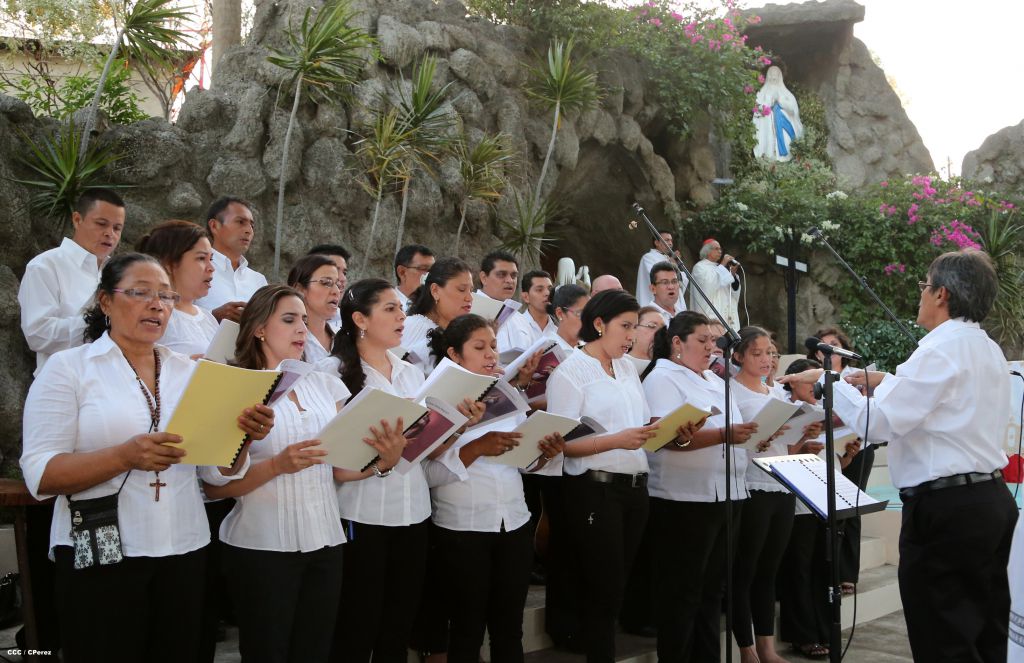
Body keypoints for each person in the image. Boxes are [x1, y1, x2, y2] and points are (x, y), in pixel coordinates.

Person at [21, 252, 273, 663]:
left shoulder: (190, 372)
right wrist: (124, 456)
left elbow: (215, 473)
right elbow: (41, 474)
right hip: (101, 553)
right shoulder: (69, 369)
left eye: (166, 296)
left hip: (184, 547)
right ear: (105, 301)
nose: (157, 305)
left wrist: (244, 437)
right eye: (141, 293)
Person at [780, 249, 1018, 663]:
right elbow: (942, 402)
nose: (921, 294)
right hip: (987, 500)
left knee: (943, 637)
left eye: (925, 286)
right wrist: (879, 379)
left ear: (942, 294)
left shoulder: (939, 351)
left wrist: (829, 381)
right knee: (985, 634)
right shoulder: (986, 348)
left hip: (946, 509)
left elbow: (879, 423)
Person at [206, 284, 406, 663]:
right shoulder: (235, 385)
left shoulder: (324, 383)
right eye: (288, 320)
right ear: (259, 328)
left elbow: (342, 469)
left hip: (326, 543)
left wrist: (384, 461)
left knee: (314, 652)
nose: (301, 328)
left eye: (303, 319)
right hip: (261, 547)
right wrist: (275, 465)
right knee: (267, 653)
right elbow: (215, 486)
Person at [323, 278, 473, 663]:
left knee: (398, 623)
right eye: (389, 309)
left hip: (413, 512)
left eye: (401, 309)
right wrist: (383, 460)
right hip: (362, 513)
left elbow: (424, 450)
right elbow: (335, 461)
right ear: (360, 319)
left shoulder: (409, 371)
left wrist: (457, 425)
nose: (401, 317)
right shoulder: (332, 373)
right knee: (357, 623)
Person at [424, 314, 566, 663]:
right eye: (480, 347)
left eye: (494, 346)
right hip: (462, 527)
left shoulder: (505, 391)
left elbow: (520, 461)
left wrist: (542, 455)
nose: (491, 355)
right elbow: (426, 473)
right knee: (467, 629)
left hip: (513, 521)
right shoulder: (433, 397)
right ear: (454, 354)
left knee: (509, 628)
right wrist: (476, 447)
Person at [546, 289, 668, 663]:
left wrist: (672, 430)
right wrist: (616, 440)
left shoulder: (627, 367)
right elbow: (563, 444)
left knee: (619, 584)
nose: (632, 336)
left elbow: (640, 424)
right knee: (603, 587)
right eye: (625, 326)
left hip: (635, 487)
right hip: (595, 489)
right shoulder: (570, 372)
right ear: (599, 324)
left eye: (635, 327)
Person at [640, 312, 755, 663]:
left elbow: (731, 430)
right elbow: (662, 437)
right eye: (702, 340)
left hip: (727, 493)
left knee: (712, 591)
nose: (711, 347)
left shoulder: (714, 379)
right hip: (684, 498)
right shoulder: (662, 377)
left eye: (713, 341)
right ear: (678, 342)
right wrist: (723, 435)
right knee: (683, 591)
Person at [728, 327, 822, 663]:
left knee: (769, 571)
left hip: (782, 484)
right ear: (738, 355)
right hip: (751, 485)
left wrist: (804, 435)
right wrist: (763, 436)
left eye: (770, 353)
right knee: (745, 570)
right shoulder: (732, 392)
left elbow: (786, 448)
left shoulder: (778, 393)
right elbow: (735, 443)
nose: (766, 359)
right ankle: (746, 648)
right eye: (757, 353)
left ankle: (767, 647)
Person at [19, 188, 127, 376]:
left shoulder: (120, 272)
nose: (110, 233)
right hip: (63, 381)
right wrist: (97, 322)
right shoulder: (44, 266)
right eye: (101, 224)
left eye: (117, 228)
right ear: (77, 220)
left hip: (114, 379)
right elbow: (38, 334)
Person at [807, 326, 872, 594]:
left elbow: (866, 412)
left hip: (858, 446)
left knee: (851, 508)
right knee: (830, 511)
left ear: (843, 350)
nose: (829, 350)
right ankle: (829, 571)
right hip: (827, 450)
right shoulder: (812, 376)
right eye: (823, 345)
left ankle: (848, 573)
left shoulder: (856, 376)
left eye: (834, 344)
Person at [137, 220, 218, 358]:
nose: (211, 268)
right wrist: (187, 364)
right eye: (201, 258)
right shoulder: (153, 316)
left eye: (211, 259)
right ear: (169, 263)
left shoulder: (208, 318)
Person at [196, 197, 267, 322]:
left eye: (252, 225)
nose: (249, 230)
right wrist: (213, 317)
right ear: (214, 226)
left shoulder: (259, 281)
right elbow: (175, 317)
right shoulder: (194, 270)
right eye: (240, 222)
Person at [402, 257, 474, 376]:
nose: (470, 298)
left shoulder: (455, 334)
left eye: (471, 290)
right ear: (435, 290)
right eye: (461, 289)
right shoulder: (414, 327)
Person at [286, 255, 341, 364]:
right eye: (326, 283)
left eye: (338, 285)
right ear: (299, 289)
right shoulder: (288, 339)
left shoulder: (343, 339)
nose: (336, 291)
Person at [753, 65, 804, 162]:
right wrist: (768, 103)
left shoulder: (785, 92)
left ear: (779, 77)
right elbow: (757, 109)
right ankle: (768, 156)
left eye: (776, 75)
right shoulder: (763, 92)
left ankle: (785, 155)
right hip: (767, 126)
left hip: (784, 123)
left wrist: (781, 101)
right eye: (771, 75)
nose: (773, 77)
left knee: (787, 140)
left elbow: (793, 109)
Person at [498, 269, 554, 352]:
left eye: (550, 289)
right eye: (539, 290)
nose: (547, 293)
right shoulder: (512, 325)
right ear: (526, 297)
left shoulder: (558, 331)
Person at [690, 238, 740, 329]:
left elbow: (733, 292)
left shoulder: (720, 268)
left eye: (720, 249)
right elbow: (708, 286)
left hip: (726, 315)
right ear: (707, 251)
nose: (720, 251)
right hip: (711, 315)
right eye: (716, 249)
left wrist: (732, 275)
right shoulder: (700, 267)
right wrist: (723, 265)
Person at [635, 230, 686, 308]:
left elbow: (681, 280)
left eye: (671, 240)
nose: (670, 243)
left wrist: (674, 264)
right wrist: (672, 264)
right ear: (657, 243)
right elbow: (658, 277)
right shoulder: (648, 257)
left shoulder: (668, 258)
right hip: (655, 305)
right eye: (667, 240)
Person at [308, 244, 352, 331]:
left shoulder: (351, 321)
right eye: (334, 270)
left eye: (344, 273)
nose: (342, 278)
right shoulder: (292, 322)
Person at [548, 285, 589, 354]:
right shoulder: (548, 351)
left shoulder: (590, 349)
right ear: (560, 314)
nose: (587, 320)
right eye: (580, 313)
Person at [395, 244, 435, 310]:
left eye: (433, 270)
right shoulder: (387, 307)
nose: (430, 274)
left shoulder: (437, 307)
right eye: (423, 269)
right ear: (402, 272)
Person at [625, 306, 664, 374]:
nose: (659, 332)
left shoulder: (666, 364)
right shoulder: (619, 364)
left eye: (663, 329)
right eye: (652, 326)